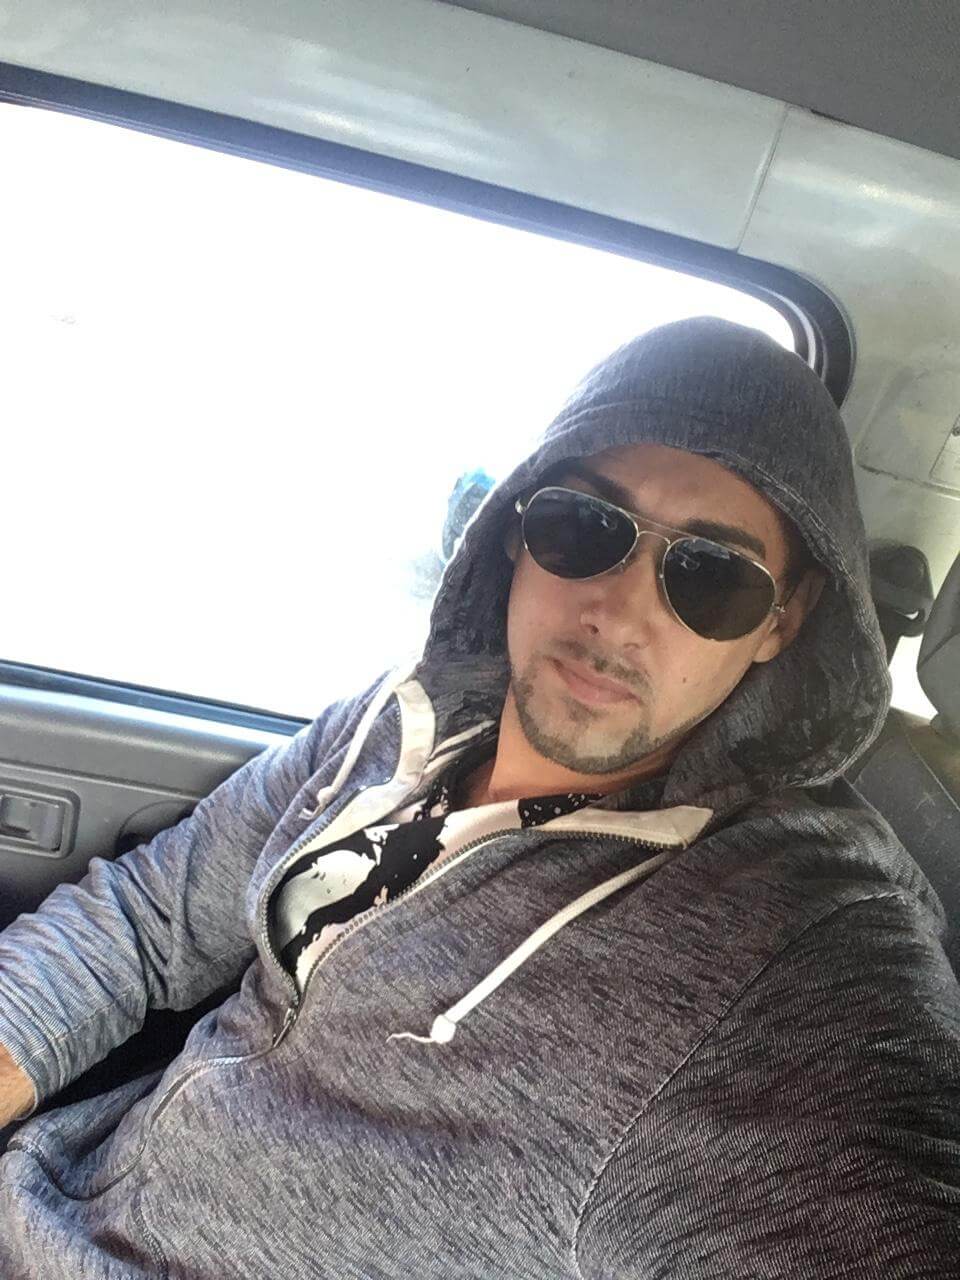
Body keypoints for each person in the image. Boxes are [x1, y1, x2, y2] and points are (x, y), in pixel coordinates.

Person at [1, 317, 958, 1277]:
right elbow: (151, 920)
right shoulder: (405, 715)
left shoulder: (786, 936)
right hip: (50, 1191)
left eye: (711, 577)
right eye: (584, 527)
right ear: (515, 528)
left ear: (784, 620)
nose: (617, 613)